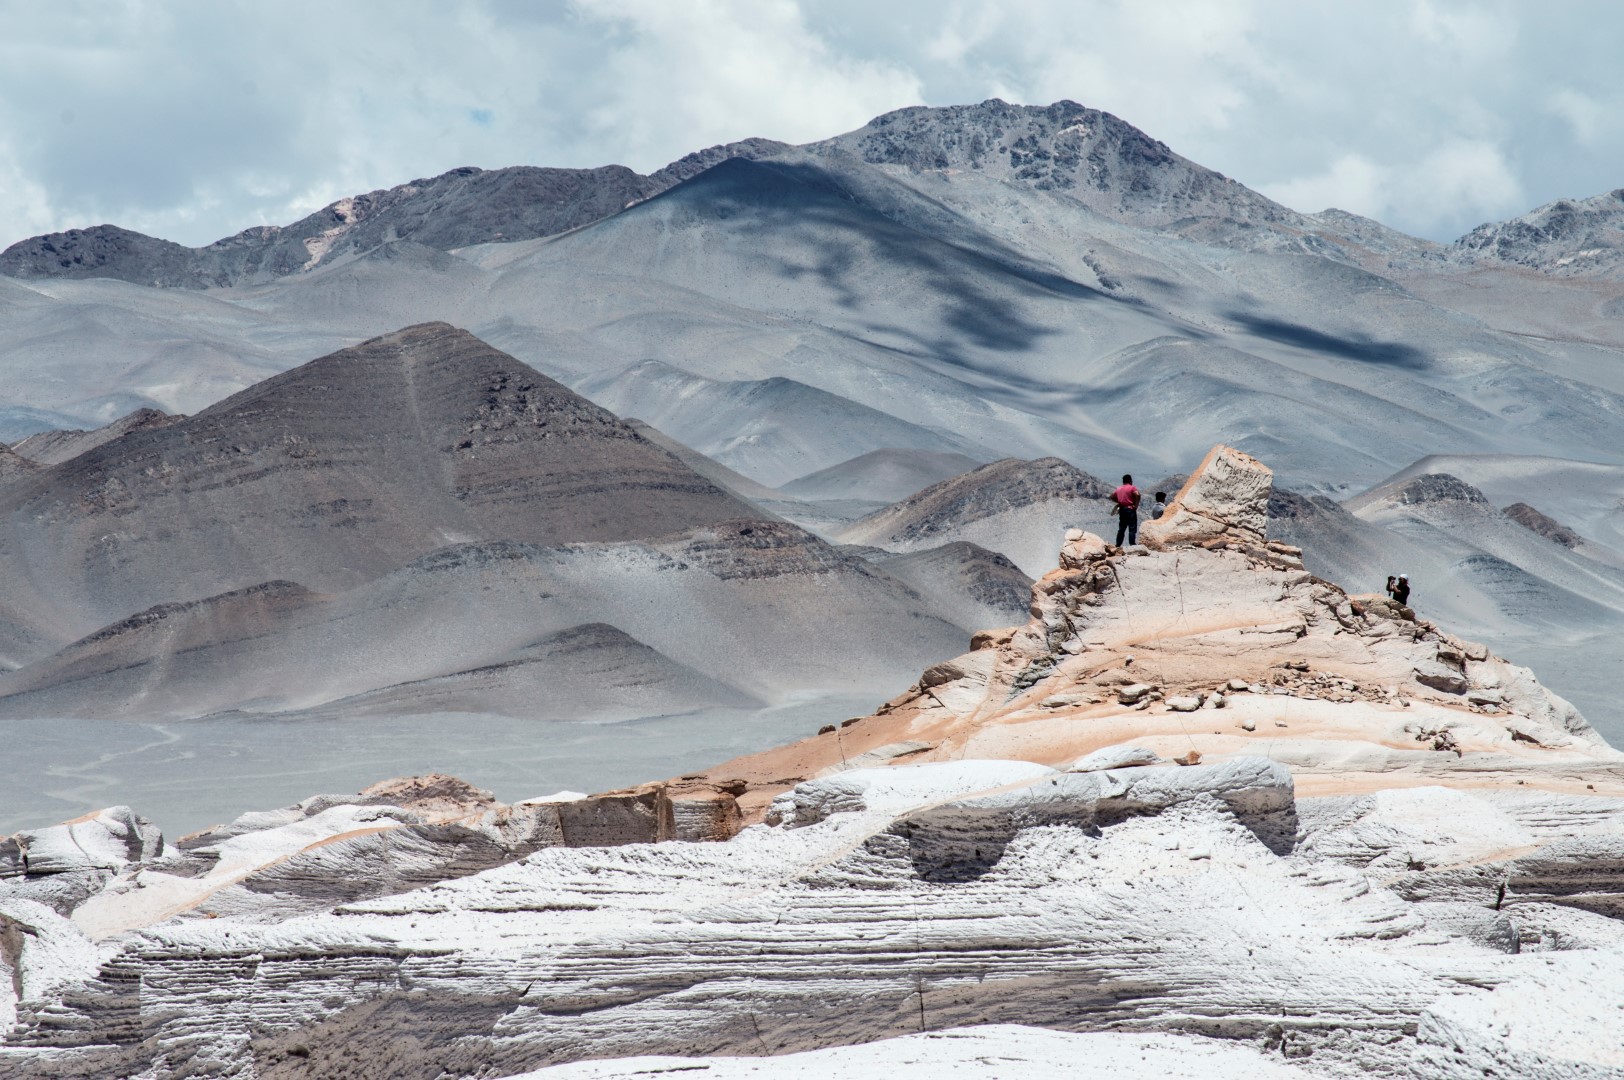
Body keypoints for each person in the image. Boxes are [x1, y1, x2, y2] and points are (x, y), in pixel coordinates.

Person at [1112, 473, 1141, 547]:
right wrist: (1136, 505)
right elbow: (1137, 494)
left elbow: (1112, 496)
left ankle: (1118, 544)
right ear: (1130, 480)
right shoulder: (1132, 488)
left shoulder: (1118, 488)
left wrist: (1119, 501)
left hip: (1122, 509)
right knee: (1132, 527)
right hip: (1130, 509)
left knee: (1122, 528)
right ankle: (1132, 544)